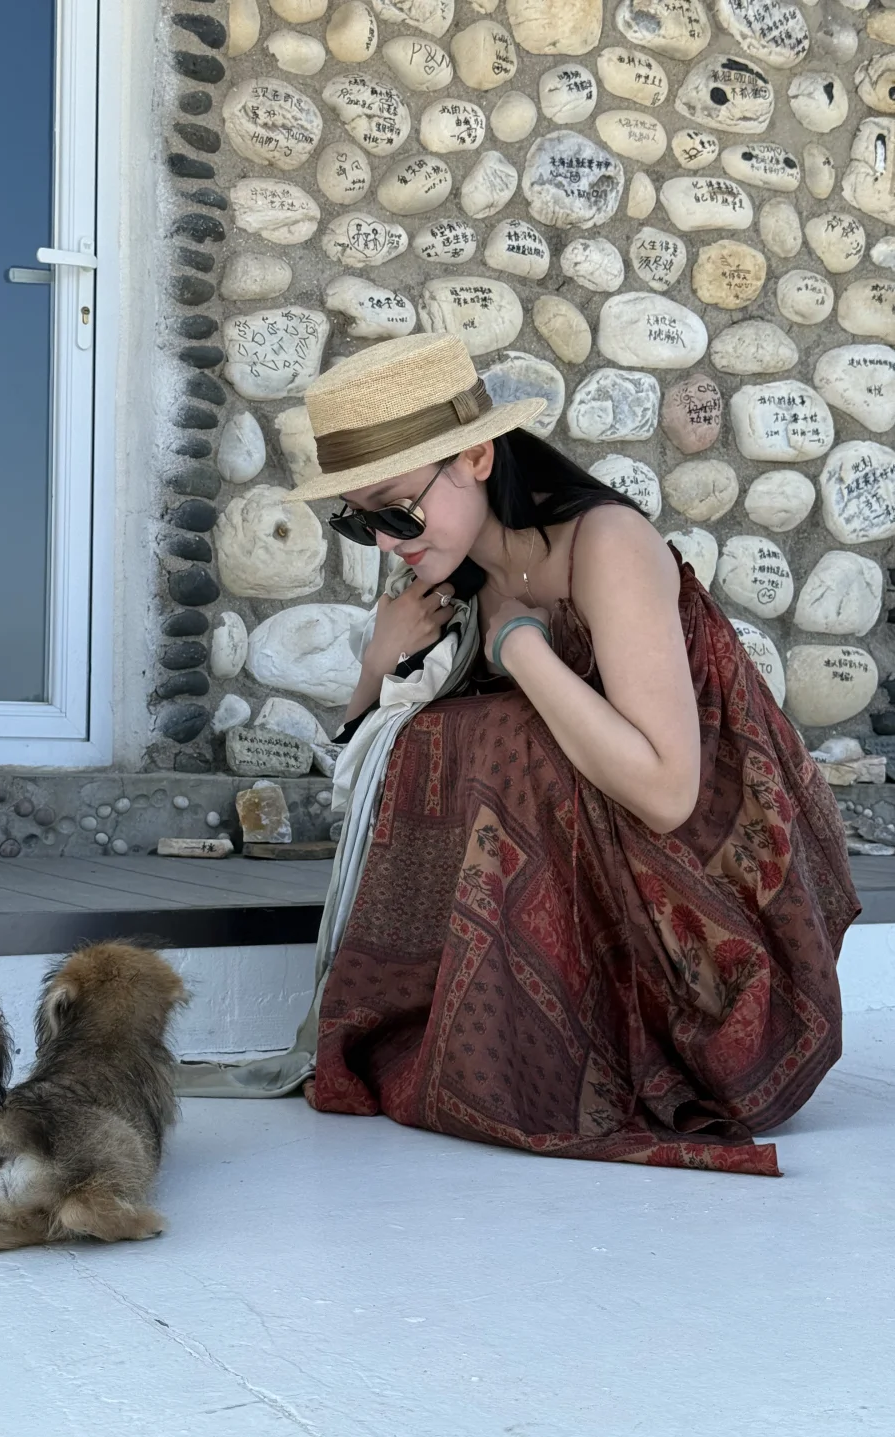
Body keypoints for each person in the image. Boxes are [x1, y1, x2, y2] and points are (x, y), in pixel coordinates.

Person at [278, 331, 859, 1177]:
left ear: (476, 458)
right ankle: (503, 1032)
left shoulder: (606, 545)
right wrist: (377, 661)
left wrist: (520, 650)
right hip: (592, 910)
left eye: (397, 510)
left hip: (710, 938)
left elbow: (668, 792)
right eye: (358, 520)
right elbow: (366, 781)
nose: (385, 542)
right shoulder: (445, 581)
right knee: (443, 738)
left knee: (502, 733)